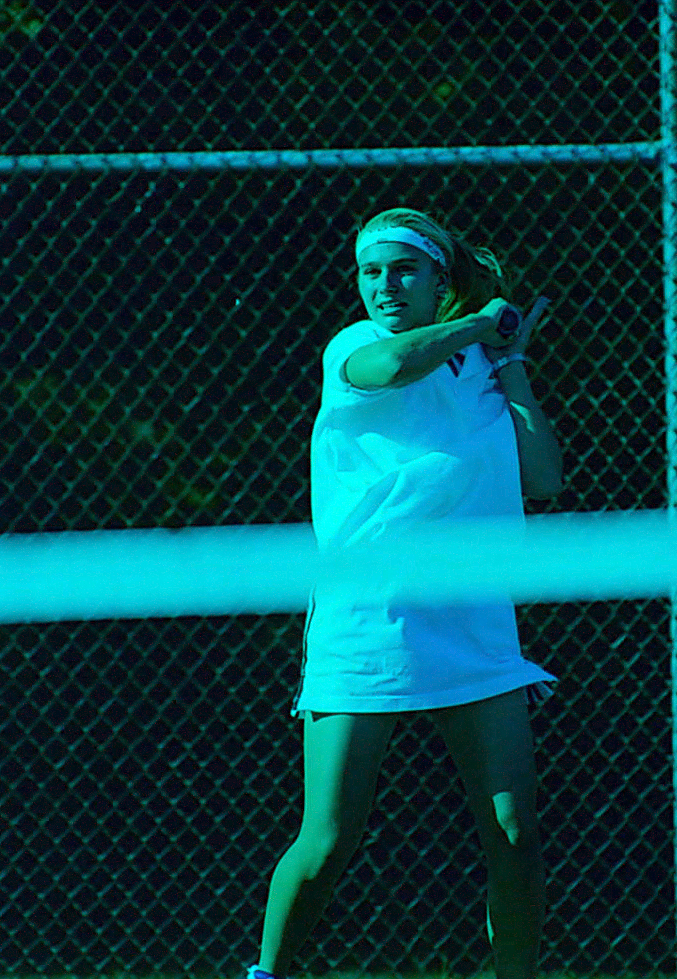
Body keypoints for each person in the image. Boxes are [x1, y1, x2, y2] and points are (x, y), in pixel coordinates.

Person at [247, 208, 563, 979]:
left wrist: (509, 359)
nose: (385, 285)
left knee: (513, 831)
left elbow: (544, 478)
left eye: (404, 269)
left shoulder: (481, 365)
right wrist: (479, 323)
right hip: (367, 621)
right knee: (328, 838)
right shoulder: (354, 346)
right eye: (370, 271)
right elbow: (391, 367)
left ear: (437, 279)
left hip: (473, 622)